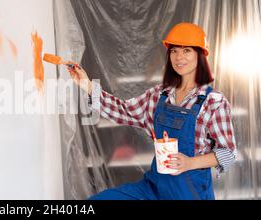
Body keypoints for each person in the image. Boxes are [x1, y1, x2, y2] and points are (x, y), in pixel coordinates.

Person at [66, 22, 237, 200]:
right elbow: (124, 111)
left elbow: (228, 153)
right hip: (155, 187)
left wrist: (190, 163)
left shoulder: (213, 102)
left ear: (200, 55)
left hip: (189, 193)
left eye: (186, 50)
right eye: (174, 50)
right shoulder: (159, 96)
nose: (179, 57)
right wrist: (87, 86)